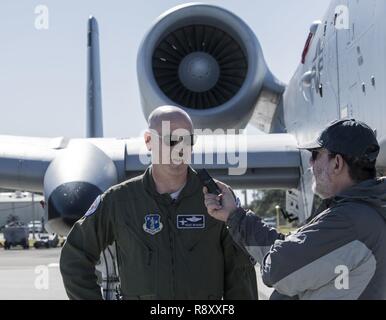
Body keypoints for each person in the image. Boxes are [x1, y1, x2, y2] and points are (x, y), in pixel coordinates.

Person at [60, 105, 257, 300]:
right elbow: (74, 258)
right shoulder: (119, 201)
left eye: (187, 140)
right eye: (171, 140)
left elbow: (240, 272)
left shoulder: (219, 198)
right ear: (148, 141)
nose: (180, 148)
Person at [204, 119, 386, 300]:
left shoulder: (350, 221)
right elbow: (294, 252)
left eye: (315, 155)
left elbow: (279, 269)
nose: (310, 163)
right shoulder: (364, 213)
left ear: (336, 163)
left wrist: (238, 219)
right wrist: (235, 216)